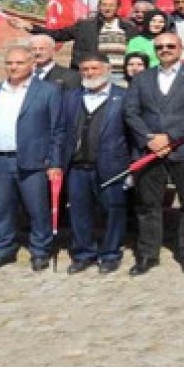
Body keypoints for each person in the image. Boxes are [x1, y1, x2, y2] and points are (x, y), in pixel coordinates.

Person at [122, 33, 184, 275]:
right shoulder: (141, 78)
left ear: (180, 48)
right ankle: (148, 254)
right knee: (147, 205)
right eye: (160, 46)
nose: (165, 49)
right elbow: (131, 111)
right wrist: (149, 138)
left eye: (170, 46)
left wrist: (169, 137)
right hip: (149, 149)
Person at [0, 45, 64, 272]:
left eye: (19, 63)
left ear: (32, 64)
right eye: (9, 63)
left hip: (33, 160)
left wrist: (55, 162)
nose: (13, 67)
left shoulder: (48, 91)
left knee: (37, 209)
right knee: (2, 208)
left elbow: (58, 130)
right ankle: (3, 250)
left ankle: (40, 251)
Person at [58, 53, 131, 275]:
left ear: (107, 69)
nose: (90, 73)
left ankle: (110, 254)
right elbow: (60, 130)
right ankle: (83, 253)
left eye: (95, 68)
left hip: (112, 166)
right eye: (85, 69)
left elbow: (133, 133)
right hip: (77, 167)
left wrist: (131, 167)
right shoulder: (70, 97)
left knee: (113, 212)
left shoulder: (124, 97)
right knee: (79, 213)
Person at [12, 0, 138, 70]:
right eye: (104, 5)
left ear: (117, 8)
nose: (107, 8)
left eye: (111, 5)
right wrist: (31, 27)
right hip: (91, 75)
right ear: (99, 7)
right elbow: (59, 35)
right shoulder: (85, 26)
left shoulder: (128, 28)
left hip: (119, 77)